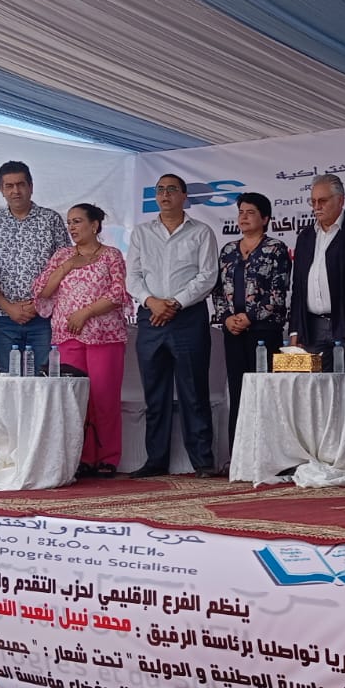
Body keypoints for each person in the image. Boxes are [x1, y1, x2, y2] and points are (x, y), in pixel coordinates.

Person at [126, 173, 220, 478]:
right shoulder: (142, 233)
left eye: (171, 189)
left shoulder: (201, 232)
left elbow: (207, 276)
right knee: (155, 393)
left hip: (188, 318)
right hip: (150, 317)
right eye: (160, 190)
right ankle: (156, 460)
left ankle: (202, 461)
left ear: (184, 196)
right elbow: (132, 277)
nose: (165, 195)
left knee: (194, 390)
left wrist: (175, 303)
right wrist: (152, 302)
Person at [33, 204, 133, 479]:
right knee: (75, 399)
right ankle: (82, 457)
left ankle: (108, 457)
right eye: (69, 222)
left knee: (103, 398)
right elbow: (42, 291)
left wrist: (85, 313)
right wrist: (67, 266)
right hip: (68, 336)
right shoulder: (62, 255)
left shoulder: (111, 255)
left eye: (77, 221)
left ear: (95, 225)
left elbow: (118, 293)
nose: (72, 227)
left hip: (104, 335)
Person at [290, 174, 345, 481]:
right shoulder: (305, 236)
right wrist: (295, 331)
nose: (317, 206)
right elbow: (298, 287)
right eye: (313, 201)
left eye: (323, 200)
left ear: (341, 200)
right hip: (312, 329)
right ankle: (325, 460)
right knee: (316, 397)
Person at [213, 192, 293, 447]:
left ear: (265, 218)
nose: (244, 217)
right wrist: (227, 318)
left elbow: (278, 293)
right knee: (238, 391)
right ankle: (239, 453)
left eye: (250, 213)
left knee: (265, 391)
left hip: (264, 331)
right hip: (233, 332)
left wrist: (249, 316)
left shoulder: (275, 249)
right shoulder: (228, 250)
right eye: (241, 213)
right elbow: (218, 291)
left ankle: (267, 452)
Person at [0, 160, 68, 370]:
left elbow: (65, 267)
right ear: (1, 190)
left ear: (31, 186)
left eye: (21, 184)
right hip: (3, 316)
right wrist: (9, 308)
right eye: (9, 186)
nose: (16, 191)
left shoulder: (50, 220)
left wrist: (38, 304)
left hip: (43, 317)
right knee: (8, 380)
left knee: (43, 380)